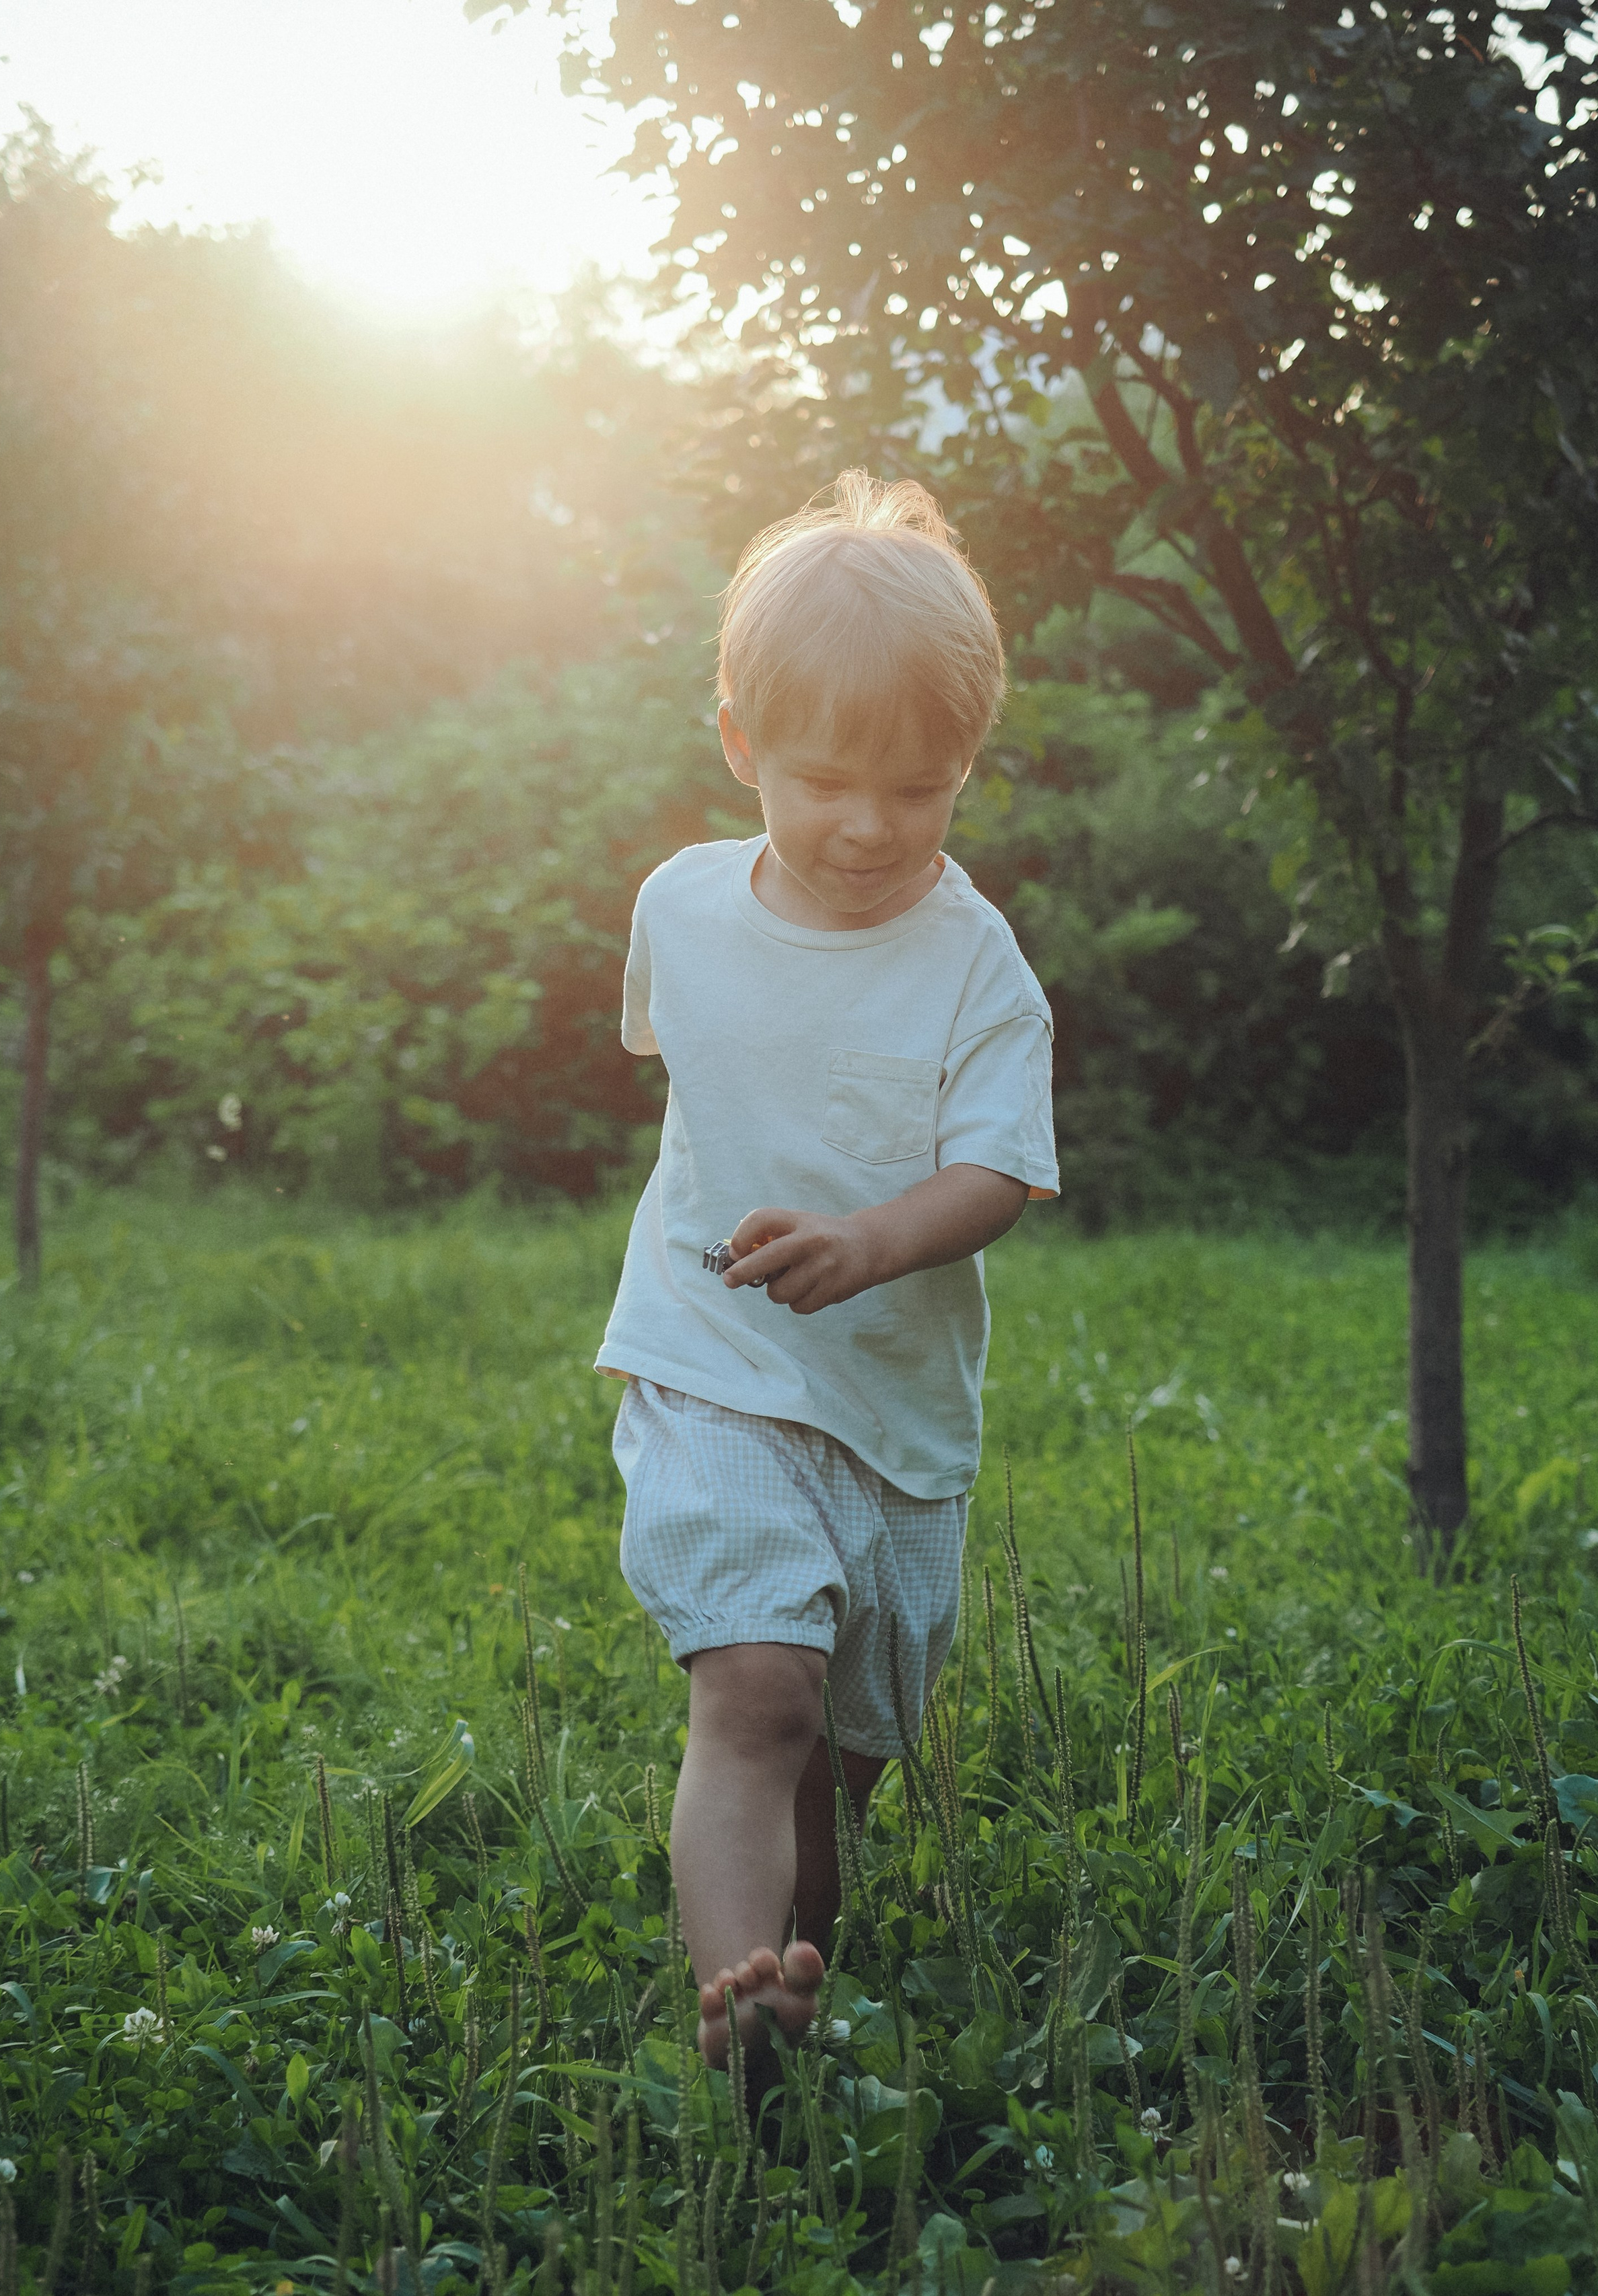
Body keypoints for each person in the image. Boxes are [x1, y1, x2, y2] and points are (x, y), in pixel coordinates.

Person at [595, 469, 1058, 2066]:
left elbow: (998, 1170)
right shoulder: (679, 907)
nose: (868, 825)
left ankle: (802, 1988)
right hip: (713, 1363)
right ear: (738, 742)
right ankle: (729, 2006)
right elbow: (695, 1073)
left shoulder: (973, 961)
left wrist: (870, 1240)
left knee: (839, 1758)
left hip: (895, 1415)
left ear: (965, 771)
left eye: (918, 790)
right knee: (757, 1695)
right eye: (824, 779)